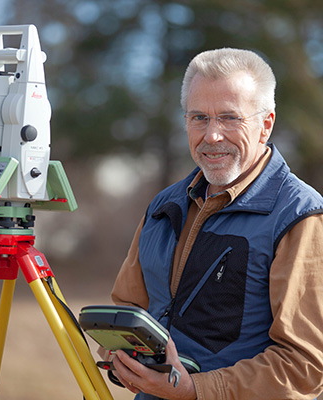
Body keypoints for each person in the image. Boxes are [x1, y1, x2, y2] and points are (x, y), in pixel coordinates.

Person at [109, 48, 323, 399]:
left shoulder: (300, 216)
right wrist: (123, 356)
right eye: (199, 118)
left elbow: (306, 365)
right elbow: (128, 308)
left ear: (265, 125)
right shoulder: (163, 207)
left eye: (229, 117)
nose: (212, 135)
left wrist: (196, 390)